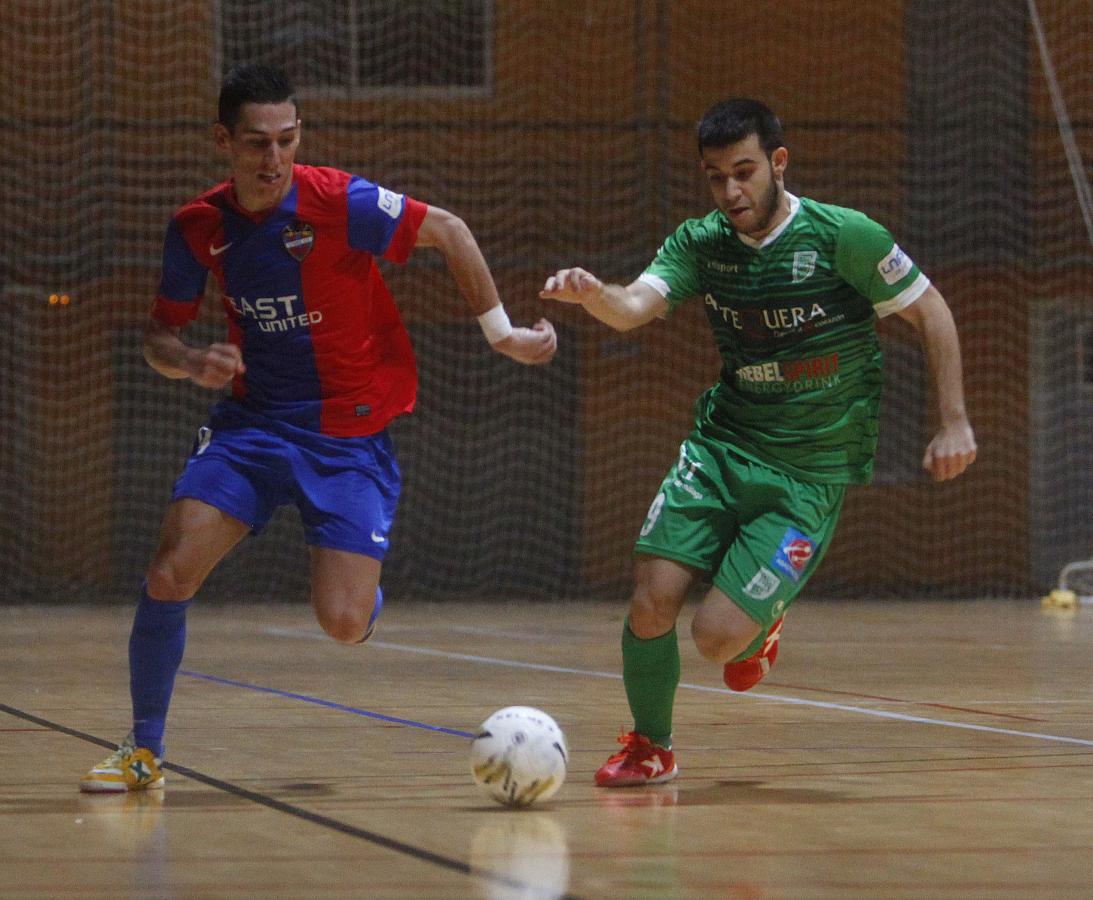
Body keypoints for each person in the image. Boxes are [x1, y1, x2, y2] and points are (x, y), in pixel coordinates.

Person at [80, 63, 557, 792]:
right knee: (170, 569)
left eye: (286, 140)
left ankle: (361, 594)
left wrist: (500, 334)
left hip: (348, 436)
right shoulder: (198, 227)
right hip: (252, 427)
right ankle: (144, 750)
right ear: (223, 141)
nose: (272, 159)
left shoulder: (340, 200)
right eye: (255, 143)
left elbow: (450, 232)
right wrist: (188, 361)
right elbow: (158, 337)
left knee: (342, 622)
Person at [541, 98, 976, 787]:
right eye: (714, 177)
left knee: (716, 640)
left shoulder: (842, 236)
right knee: (651, 600)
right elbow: (632, 308)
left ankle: (761, 620)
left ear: (777, 163)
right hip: (719, 447)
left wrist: (952, 420)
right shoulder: (700, 242)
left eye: (742, 172)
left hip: (808, 472)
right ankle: (650, 746)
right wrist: (595, 294)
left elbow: (930, 310)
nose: (730, 192)